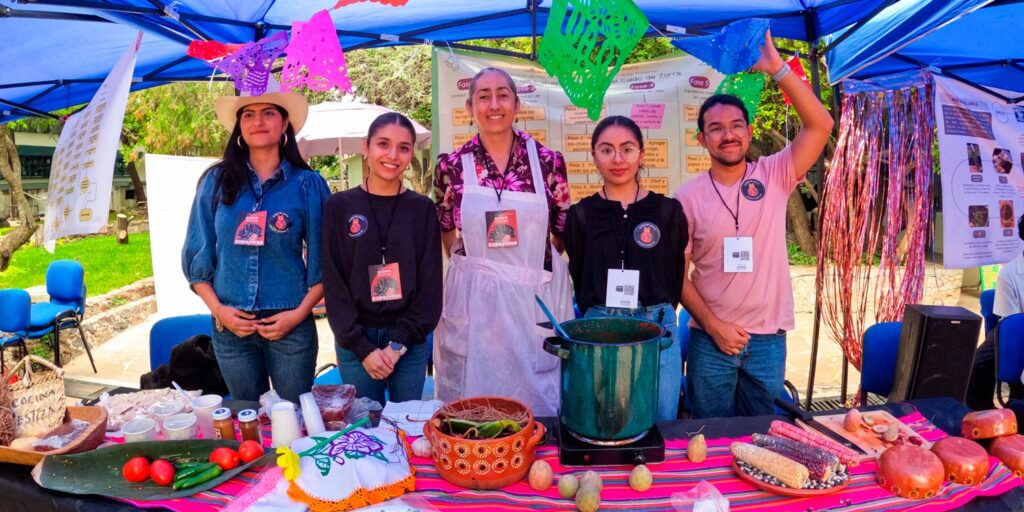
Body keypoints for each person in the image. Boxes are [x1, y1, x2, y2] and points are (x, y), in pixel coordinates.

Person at [675, 32, 833, 418]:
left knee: (760, 437)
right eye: (716, 128)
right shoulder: (686, 197)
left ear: (748, 132)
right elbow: (676, 275)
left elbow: (821, 125)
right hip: (710, 340)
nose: (727, 134)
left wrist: (777, 68)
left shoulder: (775, 173)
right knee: (708, 436)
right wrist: (713, 326)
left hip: (767, 340)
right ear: (702, 139)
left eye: (736, 125)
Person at [433, 67, 573, 417]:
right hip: (475, 306)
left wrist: (524, 271)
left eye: (503, 95)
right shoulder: (451, 166)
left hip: (532, 303)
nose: (494, 104)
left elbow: (561, 228)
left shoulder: (548, 162)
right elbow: (445, 225)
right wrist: (476, 270)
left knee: (537, 406)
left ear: (517, 104)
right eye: (483, 96)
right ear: (470, 107)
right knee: (474, 408)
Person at [182, 88, 330, 403]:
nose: (257, 122)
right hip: (231, 327)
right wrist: (220, 311)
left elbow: (327, 263)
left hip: (290, 325)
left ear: (284, 123)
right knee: (247, 417)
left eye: (268, 113)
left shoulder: (308, 185)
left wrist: (298, 315)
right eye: (248, 114)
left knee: (294, 415)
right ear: (239, 126)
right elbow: (197, 259)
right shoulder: (216, 182)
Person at [564, 115, 688, 420]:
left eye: (627, 149)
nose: (617, 159)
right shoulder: (581, 216)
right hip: (600, 328)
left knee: (661, 421)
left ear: (641, 154)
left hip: (658, 327)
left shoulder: (667, 211)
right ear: (594, 156)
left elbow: (675, 274)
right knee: (605, 422)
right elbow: (579, 272)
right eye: (606, 150)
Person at [322, 113, 442, 405]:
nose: (392, 155)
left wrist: (397, 345)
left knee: (405, 424)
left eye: (403, 148)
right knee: (364, 425)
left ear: (411, 154)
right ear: (366, 147)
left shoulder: (422, 209)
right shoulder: (339, 206)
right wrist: (362, 348)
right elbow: (334, 284)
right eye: (383, 144)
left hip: (408, 342)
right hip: (355, 341)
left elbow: (430, 289)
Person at [966, 214, 1024, 411]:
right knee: (976, 367)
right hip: (1013, 327)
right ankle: (985, 416)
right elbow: (1014, 326)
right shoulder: (1009, 274)